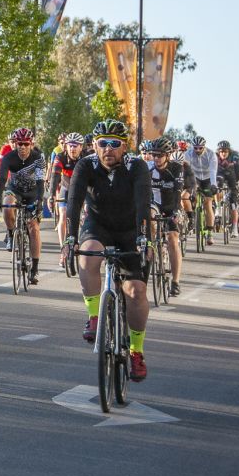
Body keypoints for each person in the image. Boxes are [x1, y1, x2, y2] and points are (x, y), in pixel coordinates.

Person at [61, 119, 152, 382]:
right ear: (94, 145)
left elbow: (143, 204)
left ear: (125, 147)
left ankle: (136, 351)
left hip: (130, 229)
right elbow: (74, 202)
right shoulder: (85, 164)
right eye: (103, 144)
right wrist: (69, 239)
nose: (108, 149)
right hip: (98, 225)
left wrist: (144, 239)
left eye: (115, 144)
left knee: (135, 291)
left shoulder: (137, 166)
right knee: (88, 255)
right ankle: (93, 316)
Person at [0, 127, 46, 284]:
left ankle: (35, 269)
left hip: (32, 193)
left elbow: (40, 182)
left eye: (26, 144)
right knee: (7, 204)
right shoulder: (8, 157)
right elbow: (2, 178)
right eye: (19, 144)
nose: (22, 147)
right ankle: (11, 234)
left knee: (34, 227)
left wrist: (39, 201)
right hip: (15, 190)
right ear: (15, 144)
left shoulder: (38, 159)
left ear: (31, 144)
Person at [143, 137, 189, 296]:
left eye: (160, 155)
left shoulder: (176, 168)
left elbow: (178, 192)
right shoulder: (147, 168)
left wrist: (176, 212)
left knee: (173, 239)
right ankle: (152, 249)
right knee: (148, 219)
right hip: (154, 205)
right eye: (154, 155)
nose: (156, 158)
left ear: (168, 155)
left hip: (171, 206)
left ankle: (175, 282)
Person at [49, 132, 85, 248]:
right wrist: (52, 196)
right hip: (66, 187)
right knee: (63, 215)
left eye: (75, 145)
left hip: (83, 189)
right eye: (69, 145)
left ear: (81, 147)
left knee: (87, 214)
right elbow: (54, 177)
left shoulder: (86, 157)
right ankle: (63, 249)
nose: (72, 148)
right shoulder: (61, 157)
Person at [182, 136, 218, 245]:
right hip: (195, 178)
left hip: (207, 178)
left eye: (200, 148)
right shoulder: (187, 154)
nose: (197, 150)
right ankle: (192, 218)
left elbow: (213, 171)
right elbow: (186, 170)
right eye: (195, 148)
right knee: (188, 197)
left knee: (208, 202)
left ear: (204, 147)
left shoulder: (211, 155)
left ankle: (209, 232)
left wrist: (213, 185)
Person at [215, 140, 239, 235]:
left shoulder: (234, 156)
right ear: (218, 151)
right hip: (220, 174)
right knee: (217, 185)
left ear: (229, 151)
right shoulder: (215, 156)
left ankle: (234, 227)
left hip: (231, 175)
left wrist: (238, 183)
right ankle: (218, 207)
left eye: (225, 151)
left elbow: (237, 170)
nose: (223, 153)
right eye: (221, 151)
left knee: (233, 203)